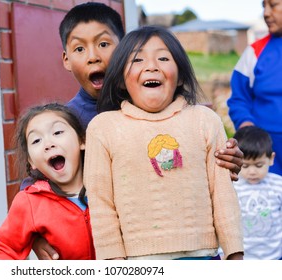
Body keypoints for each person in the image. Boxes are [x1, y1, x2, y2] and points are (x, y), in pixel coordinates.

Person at [28, 2, 244, 259]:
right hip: (106, 251)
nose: (93, 56)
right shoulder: (66, 123)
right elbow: (37, 179)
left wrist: (229, 159)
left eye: (104, 44)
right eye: (79, 48)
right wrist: (34, 231)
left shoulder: (200, 120)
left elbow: (216, 185)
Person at [83, 25, 244, 260]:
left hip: (203, 257)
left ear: (179, 76)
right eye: (137, 59)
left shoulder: (204, 120)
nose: (151, 66)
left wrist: (235, 254)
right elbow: (101, 203)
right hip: (138, 262)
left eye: (163, 58)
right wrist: (113, 263)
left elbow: (223, 194)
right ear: (119, 81)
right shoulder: (103, 128)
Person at [0, 103, 95, 260]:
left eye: (57, 132)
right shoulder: (29, 202)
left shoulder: (107, 186)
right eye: (36, 140)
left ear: (82, 140)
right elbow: (3, 249)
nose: (48, 144)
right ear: (31, 161)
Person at [227, 0, 282, 176]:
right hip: (264, 156)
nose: (266, 13)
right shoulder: (254, 52)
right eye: (263, 6)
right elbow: (239, 100)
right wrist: (247, 130)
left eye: (273, 5)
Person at [231, 126, 282, 260]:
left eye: (259, 165)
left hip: (275, 256)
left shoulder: (278, 185)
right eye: (245, 166)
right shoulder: (232, 187)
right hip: (243, 258)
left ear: (271, 159)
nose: (252, 172)